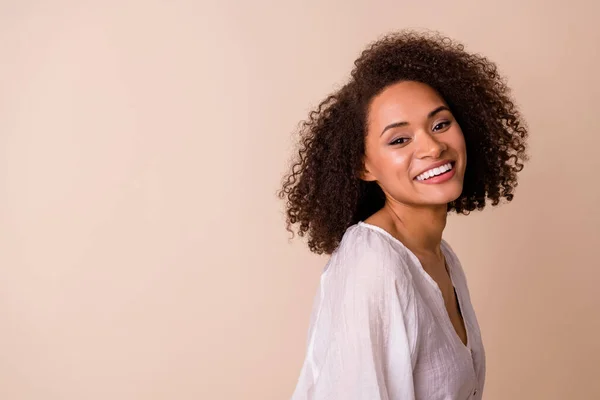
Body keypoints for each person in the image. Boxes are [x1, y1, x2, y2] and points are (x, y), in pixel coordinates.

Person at [278, 30, 528, 399]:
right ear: (363, 166)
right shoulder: (373, 263)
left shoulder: (440, 258)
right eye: (399, 139)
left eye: (440, 124)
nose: (432, 146)